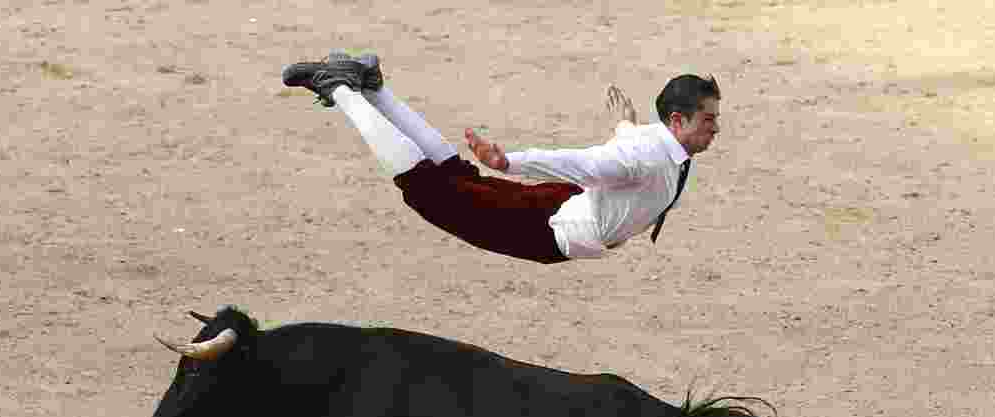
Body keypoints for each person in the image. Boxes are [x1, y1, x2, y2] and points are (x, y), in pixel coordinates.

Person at [282, 51, 721, 263]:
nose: (715, 128)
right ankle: (338, 85)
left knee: (454, 179)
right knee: (431, 192)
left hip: (563, 210)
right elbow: (588, 164)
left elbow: (628, 161)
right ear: (678, 120)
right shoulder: (648, 151)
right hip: (550, 227)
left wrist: (625, 126)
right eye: (708, 119)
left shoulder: (662, 144)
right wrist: (509, 162)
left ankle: (373, 86)